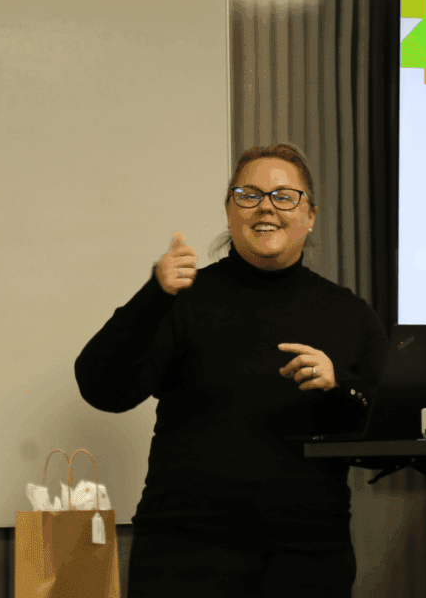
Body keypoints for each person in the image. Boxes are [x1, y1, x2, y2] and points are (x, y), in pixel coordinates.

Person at [74, 143, 388, 597]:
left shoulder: (349, 314)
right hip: (185, 555)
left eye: (285, 196)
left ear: (311, 215)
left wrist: (338, 386)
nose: (266, 207)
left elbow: (384, 435)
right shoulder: (183, 298)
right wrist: (154, 293)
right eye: (249, 194)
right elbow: (102, 388)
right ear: (229, 209)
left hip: (308, 556)